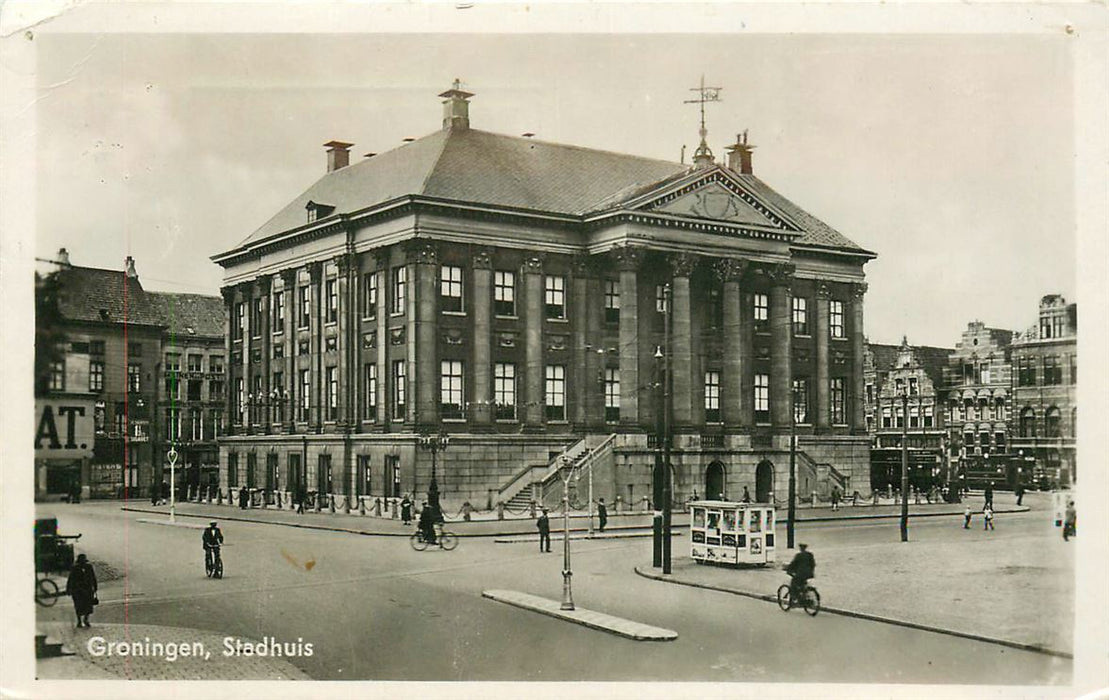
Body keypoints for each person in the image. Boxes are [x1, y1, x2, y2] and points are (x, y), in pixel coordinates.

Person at [66, 553, 98, 628]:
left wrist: (95, 586)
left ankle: (86, 620)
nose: (83, 562)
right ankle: (79, 621)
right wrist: (69, 589)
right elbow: (71, 579)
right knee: (78, 606)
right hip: (78, 590)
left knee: (88, 605)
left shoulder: (89, 567)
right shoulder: (74, 568)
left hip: (87, 589)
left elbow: (93, 577)